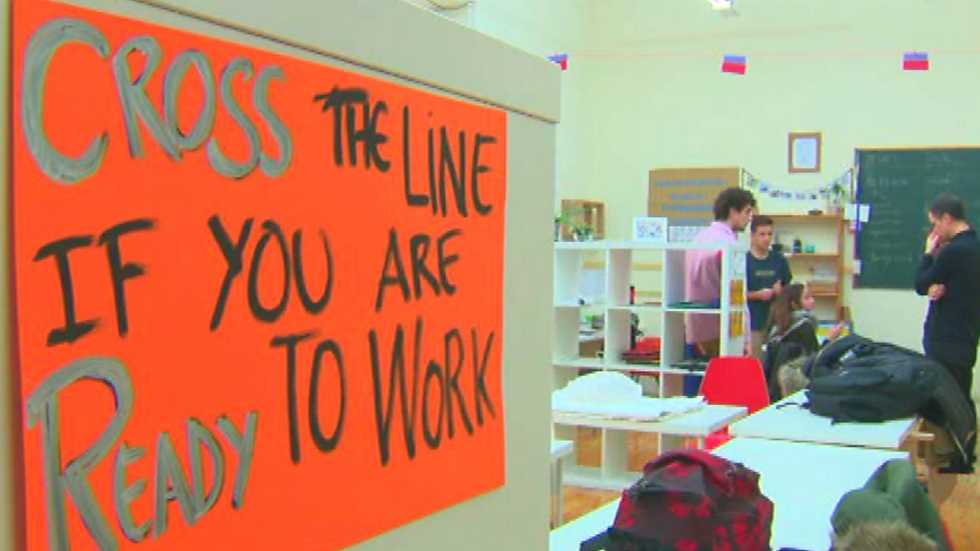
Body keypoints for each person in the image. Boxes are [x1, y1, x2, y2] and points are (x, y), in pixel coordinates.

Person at [914, 193, 980, 404]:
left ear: (946, 218)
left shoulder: (953, 251)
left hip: (945, 340)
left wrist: (928, 254)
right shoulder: (974, 246)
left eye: (935, 224)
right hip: (967, 336)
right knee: (960, 398)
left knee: (948, 404)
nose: (934, 231)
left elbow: (920, 284)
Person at [685, 187, 755, 357]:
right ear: (733, 211)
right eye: (747, 211)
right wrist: (746, 338)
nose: (750, 217)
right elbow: (737, 295)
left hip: (695, 327)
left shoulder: (698, 239)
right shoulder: (730, 245)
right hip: (722, 329)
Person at [745, 215, 792, 360]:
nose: (767, 239)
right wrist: (757, 295)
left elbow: (789, 290)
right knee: (755, 363)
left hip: (777, 323)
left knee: (776, 363)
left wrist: (780, 291)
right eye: (762, 234)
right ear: (752, 236)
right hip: (753, 323)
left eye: (770, 234)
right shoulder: (744, 260)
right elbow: (734, 294)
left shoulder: (779, 259)